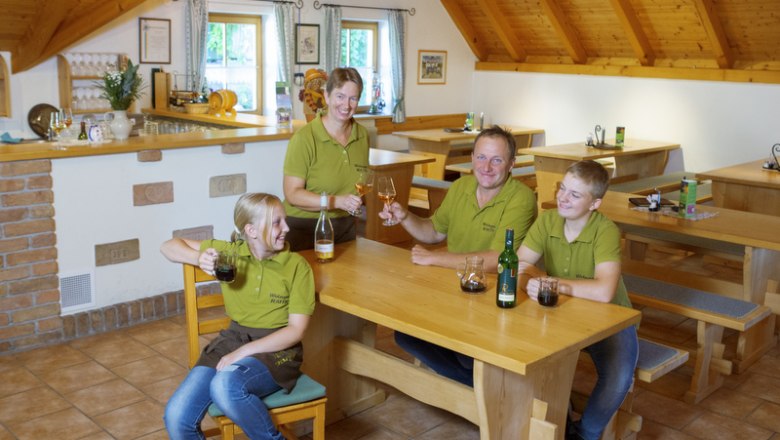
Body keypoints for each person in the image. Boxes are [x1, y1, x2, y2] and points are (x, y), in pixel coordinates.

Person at [381, 125, 537, 387]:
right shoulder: (460, 187)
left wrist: (434, 259)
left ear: (511, 164)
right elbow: (433, 232)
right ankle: (479, 388)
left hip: (493, 297)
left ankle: (486, 389)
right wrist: (404, 216)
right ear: (472, 157)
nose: (486, 167)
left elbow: (497, 259)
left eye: (496, 160)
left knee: (465, 353)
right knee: (405, 335)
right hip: (454, 291)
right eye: (481, 157)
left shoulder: (521, 199)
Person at [162, 193, 315, 440]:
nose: (286, 228)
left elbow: (296, 331)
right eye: (277, 222)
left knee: (224, 386)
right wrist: (199, 259)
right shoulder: (229, 253)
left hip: (278, 351)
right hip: (232, 339)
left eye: (284, 221)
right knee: (177, 416)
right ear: (251, 231)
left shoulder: (296, 266)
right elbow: (168, 246)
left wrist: (242, 353)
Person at [516, 160, 638, 440]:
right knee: (525, 358)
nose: (562, 197)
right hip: (559, 312)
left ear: (594, 204)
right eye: (563, 188)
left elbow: (604, 292)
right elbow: (516, 266)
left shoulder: (605, 230)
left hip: (612, 318)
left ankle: (585, 434)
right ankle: (561, 416)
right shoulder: (547, 220)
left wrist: (546, 280)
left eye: (575, 194)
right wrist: (535, 278)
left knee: (619, 377)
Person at [282, 67, 370, 251]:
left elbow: (356, 184)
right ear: (327, 96)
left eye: (353, 98)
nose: (346, 105)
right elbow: (292, 194)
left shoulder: (362, 135)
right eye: (340, 96)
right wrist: (336, 201)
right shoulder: (305, 138)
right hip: (303, 228)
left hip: (345, 227)